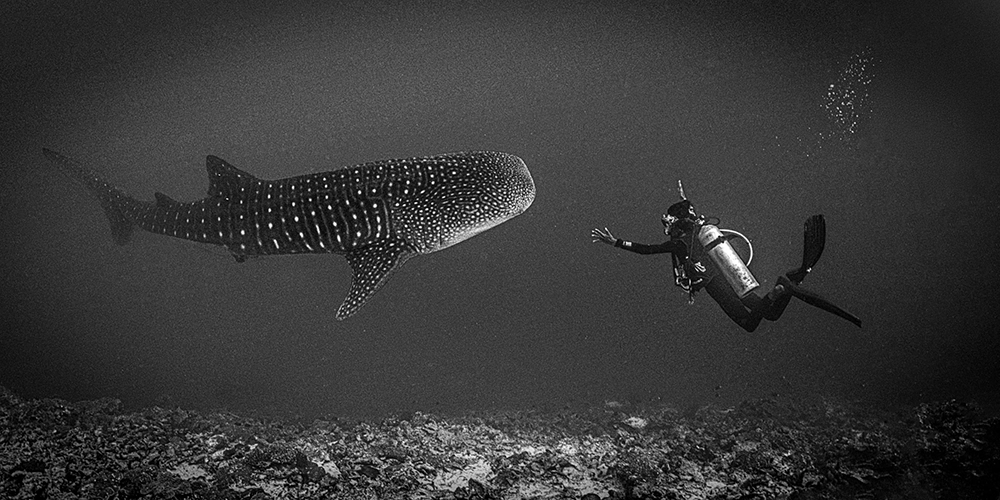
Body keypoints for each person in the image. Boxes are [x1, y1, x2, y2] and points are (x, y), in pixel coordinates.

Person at [591, 189, 861, 332]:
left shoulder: (680, 241)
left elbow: (646, 250)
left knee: (749, 324)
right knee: (767, 316)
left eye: (668, 221)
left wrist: (615, 242)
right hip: (732, 279)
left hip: (719, 286)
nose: (666, 225)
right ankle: (785, 284)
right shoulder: (698, 235)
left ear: (674, 222)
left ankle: (783, 286)